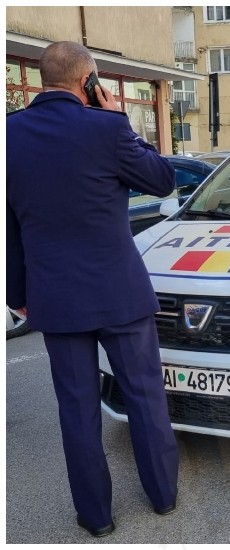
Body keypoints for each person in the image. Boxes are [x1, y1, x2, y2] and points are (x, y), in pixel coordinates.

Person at [6, 41, 179, 538]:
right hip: (119, 295)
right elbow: (163, 180)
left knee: (76, 410)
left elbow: (11, 225)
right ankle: (163, 497)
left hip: (54, 300)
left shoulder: (8, 136)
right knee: (145, 397)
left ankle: (96, 519)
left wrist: (18, 293)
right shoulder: (108, 128)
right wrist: (120, 120)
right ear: (89, 81)